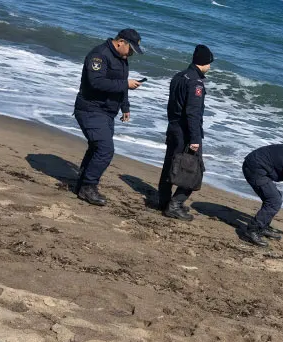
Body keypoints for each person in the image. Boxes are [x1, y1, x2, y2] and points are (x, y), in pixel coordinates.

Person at [73, 28, 145, 206]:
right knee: (105, 150)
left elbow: (122, 86)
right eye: (131, 49)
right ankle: (88, 187)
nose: (132, 54)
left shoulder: (122, 59)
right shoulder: (99, 55)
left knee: (96, 147)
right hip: (90, 109)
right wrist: (125, 84)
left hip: (107, 111)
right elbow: (96, 82)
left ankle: (82, 183)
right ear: (120, 42)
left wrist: (125, 107)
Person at [158, 44, 213, 220]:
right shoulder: (195, 83)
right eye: (209, 63)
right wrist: (195, 138)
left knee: (170, 165)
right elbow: (193, 113)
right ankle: (175, 205)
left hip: (173, 128)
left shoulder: (179, 76)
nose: (210, 67)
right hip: (186, 132)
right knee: (194, 171)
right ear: (204, 63)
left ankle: (163, 200)